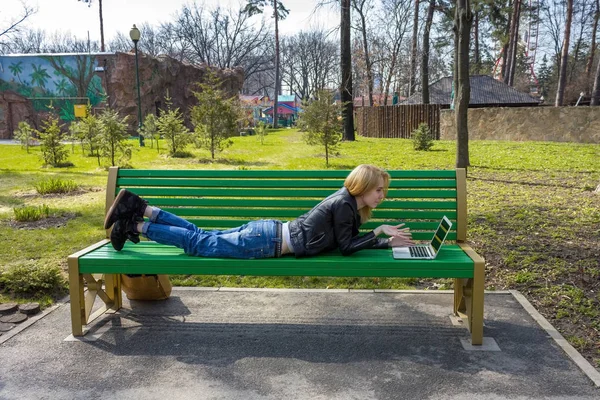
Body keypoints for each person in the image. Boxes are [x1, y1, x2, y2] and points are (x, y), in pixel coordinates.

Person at [103, 164, 414, 258]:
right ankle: (137, 226)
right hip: (267, 242)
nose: (382, 195)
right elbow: (347, 247)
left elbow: (347, 238)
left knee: (200, 235)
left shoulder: (346, 201)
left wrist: (381, 238)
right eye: (378, 189)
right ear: (363, 186)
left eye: (383, 190)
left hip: (268, 233)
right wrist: (381, 234)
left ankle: (141, 207)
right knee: (197, 244)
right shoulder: (345, 204)